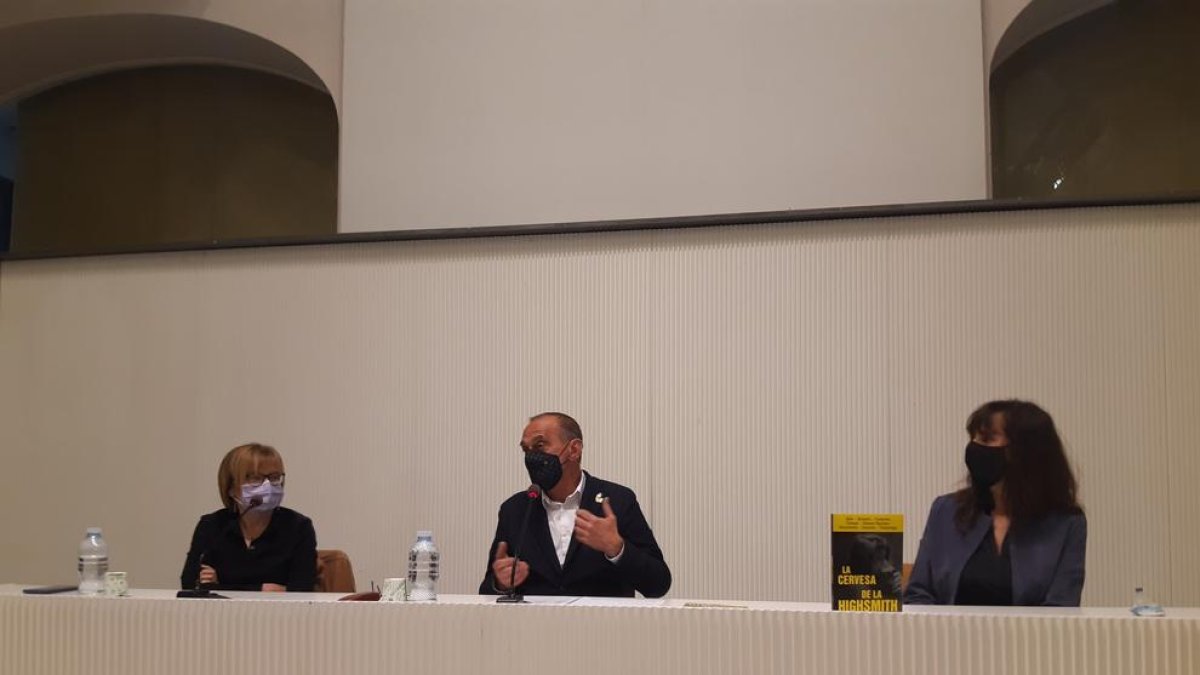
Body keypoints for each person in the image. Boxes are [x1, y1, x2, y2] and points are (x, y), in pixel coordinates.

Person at [905, 400, 1086, 606]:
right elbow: (918, 594)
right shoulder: (945, 510)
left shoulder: (1066, 523)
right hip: (948, 628)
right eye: (974, 438)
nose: (975, 447)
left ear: (1023, 450)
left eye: (987, 438)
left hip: (1030, 629)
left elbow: (1062, 607)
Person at [479, 412, 671, 598]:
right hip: (536, 620)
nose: (531, 457)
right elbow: (486, 591)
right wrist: (501, 583)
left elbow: (658, 585)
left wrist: (617, 548)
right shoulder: (515, 509)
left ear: (574, 450)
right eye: (526, 449)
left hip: (602, 619)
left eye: (540, 446)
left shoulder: (618, 500)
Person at [180, 443, 317, 592]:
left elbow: (302, 590)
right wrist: (262, 589)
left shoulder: (298, 526)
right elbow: (190, 583)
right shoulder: (213, 526)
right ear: (231, 488)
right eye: (255, 478)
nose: (268, 486)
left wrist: (220, 585)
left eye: (274, 477)